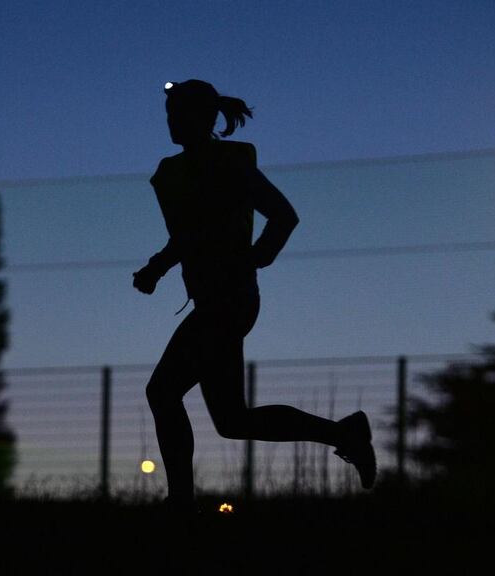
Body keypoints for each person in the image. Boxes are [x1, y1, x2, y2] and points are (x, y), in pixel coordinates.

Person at [133, 79, 375, 513]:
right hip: (216, 302)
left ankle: (181, 504)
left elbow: (283, 214)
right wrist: (158, 266)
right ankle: (344, 434)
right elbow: (188, 237)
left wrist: (254, 258)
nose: (172, 121)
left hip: (230, 301)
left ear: (205, 118)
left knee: (163, 392)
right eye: (169, 114)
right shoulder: (171, 173)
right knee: (231, 420)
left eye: (180, 114)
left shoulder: (230, 163)